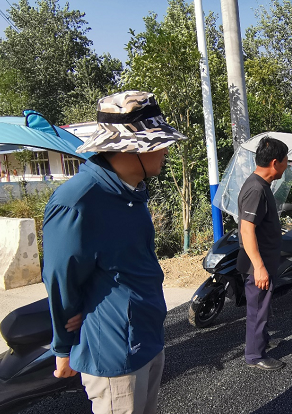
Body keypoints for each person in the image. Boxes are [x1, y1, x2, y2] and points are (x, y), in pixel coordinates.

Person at [42, 91, 187, 414]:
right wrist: (63, 347)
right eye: (159, 143)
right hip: (114, 352)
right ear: (130, 148)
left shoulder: (131, 192)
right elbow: (60, 280)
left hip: (147, 338)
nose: (166, 150)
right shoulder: (78, 202)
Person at [236, 137, 289, 371]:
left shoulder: (260, 185)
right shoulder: (256, 188)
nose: (287, 165)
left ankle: (262, 341)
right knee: (257, 310)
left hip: (265, 261)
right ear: (275, 162)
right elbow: (247, 229)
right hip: (257, 265)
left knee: (263, 307)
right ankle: (254, 355)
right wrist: (258, 267)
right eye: (286, 160)